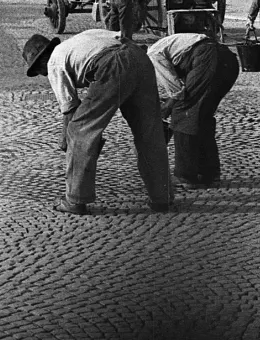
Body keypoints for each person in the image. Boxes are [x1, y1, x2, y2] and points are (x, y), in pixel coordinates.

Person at [22, 30, 172, 214]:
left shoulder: (54, 61)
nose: (42, 74)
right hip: (139, 57)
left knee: (78, 131)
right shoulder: (79, 40)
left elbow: (69, 110)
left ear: (42, 60)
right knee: (150, 131)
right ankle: (161, 197)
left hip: (112, 64)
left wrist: (66, 140)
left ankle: (75, 199)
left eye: (38, 70)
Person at [147, 32, 239, 188]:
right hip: (228, 59)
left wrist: (167, 107)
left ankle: (185, 175)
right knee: (202, 114)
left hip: (207, 57)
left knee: (183, 112)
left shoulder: (153, 54)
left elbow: (177, 91)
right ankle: (209, 173)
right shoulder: (170, 46)